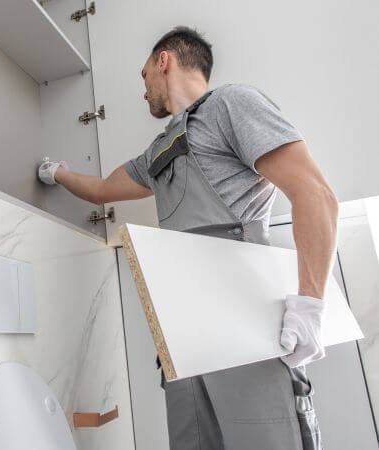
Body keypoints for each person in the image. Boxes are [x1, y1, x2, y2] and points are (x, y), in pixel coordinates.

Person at [38, 26, 338, 450]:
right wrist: (59, 172)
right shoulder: (158, 151)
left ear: (165, 61)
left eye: (144, 76)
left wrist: (310, 305)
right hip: (183, 335)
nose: (143, 90)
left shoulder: (231, 104)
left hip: (247, 330)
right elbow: (103, 189)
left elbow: (316, 194)